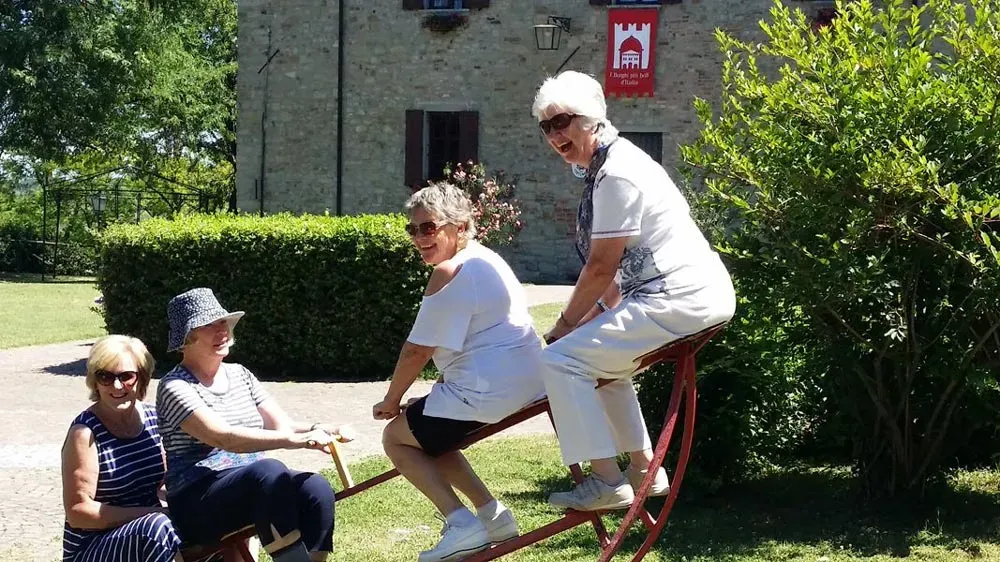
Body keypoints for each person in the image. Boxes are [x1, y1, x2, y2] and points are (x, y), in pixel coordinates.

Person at [532, 70, 736, 511]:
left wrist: (564, 328)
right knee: (600, 361)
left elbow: (602, 265)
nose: (555, 134)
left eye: (562, 121)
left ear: (591, 118)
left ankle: (606, 481)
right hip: (681, 296)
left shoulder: (616, 174)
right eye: (546, 126)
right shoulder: (609, 166)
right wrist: (586, 324)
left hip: (678, 297)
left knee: (560, 360)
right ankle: (643, 467)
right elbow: (614, 275)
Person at [373, 182, 545, 562]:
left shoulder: (449, 271)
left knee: (396, 438)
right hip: (526, 381)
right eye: (412, 229)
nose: (419, 238)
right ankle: (493, 517)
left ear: (460, 227)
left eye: (428, 227)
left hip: (487, 390)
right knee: (426, 431)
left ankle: (462, 525)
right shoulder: (488, 259)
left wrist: (391, 400)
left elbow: (418, 349)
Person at [156, 288, 351, 562]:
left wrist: (320, 429)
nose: (221, 330)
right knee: (268, 471)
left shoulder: (240, 374)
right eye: (209, 325)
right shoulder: (174, 386)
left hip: (250, 485)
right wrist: (297, 441)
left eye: (222, 321)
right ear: (187, 339)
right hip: (196, 500)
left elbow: (280, 425)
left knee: (315, 488)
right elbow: (223, 438)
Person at [61, 335, 180, 562]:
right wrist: (153, 513)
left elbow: (166, 482)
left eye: (126, 376)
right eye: (105, 376)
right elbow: (78, 513)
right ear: (95, 382)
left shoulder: (155, 418)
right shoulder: (85, 433)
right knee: (157, 528)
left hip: (150, 531)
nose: (116, 386)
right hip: (93, 546)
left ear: (142, 379)